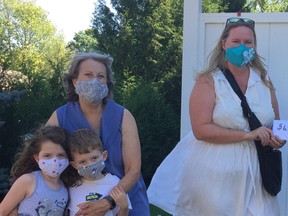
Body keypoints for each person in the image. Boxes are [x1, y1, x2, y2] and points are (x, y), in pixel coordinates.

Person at [147, 17, 286, 215]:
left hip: (257, 176)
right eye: (236, 41)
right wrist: (248, 135)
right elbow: (200, 129)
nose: (242, 46)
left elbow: (279, 122)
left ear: (255, 46)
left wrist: (280, 139)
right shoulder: (209, 80)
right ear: (224, 44)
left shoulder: (264, 81)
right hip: (213, 178)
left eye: (248, 42)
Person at [46, 52, 150, 216]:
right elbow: (41, 160)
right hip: (80, 205)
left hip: (126, 203)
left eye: (101, 76)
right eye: (88, 75)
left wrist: (109, 202)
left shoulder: (124, 116)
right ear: (74, 81)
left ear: (107, 84)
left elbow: (133, 170)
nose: (94, 80)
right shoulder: (59, 117)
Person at [0, 125, 70, 216]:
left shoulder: (65, 189)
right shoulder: (28, 180)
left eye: (60, 155)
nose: (54, 161)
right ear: (37, 158)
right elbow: (2, 211)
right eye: (47, 156)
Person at [68, 128, 131, 216]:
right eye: (83, 162)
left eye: (94, 158)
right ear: (74, 165)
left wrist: (124, 207)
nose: (90, 164)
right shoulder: (71, 187)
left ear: (104, 156)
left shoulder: (115, 183)